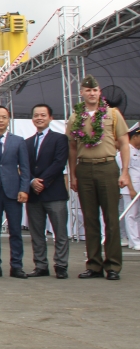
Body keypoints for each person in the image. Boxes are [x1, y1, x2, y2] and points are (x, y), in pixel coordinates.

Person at [67, 75, 131, 280]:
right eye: (88, 90)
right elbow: (72, 148)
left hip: (107, 166)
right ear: (82, 93)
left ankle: (113, 266)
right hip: (85, 169)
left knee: (111, 218)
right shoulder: (75, 117)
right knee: (90, 219)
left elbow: (124, 142)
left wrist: (125, 172)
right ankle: (93, 265)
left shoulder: (112, 114)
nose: (92, 93)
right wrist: (73, 175)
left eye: (95, 90)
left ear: (99, 92)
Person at [24, 104, 70, 278]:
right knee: (36, 232)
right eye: (36, 115)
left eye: (43, 115)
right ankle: (41, 265)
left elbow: (59, 163)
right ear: (32, 119)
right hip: (34, 195)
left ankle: (61, 265)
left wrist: (42, 181)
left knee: (60, 232)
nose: (39, 118)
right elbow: (24, 166)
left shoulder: (60, 139)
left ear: (50, 118)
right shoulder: (27, 142)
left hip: (54, 192)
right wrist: (31, 181)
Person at [0, 105, 30, 279]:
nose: (1, 120)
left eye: (4, 117)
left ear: (8, 119)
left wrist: (24, 189)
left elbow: (25, 168)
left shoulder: (18, 141)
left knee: (15, 231)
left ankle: (17, 266)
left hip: (13, 192)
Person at [117, 124, 140, 250]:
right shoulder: (126, 151)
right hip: (130, 188)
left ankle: (135, 239)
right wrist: (131, 189)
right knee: (131, 214)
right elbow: (126, 171)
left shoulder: (137, 150)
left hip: (138, 188)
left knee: (137, 215)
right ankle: (134, 241)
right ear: (135, 137)